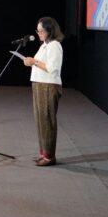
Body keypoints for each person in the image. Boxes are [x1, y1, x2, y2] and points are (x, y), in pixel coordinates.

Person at [23, 16, 64, 167]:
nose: (39, 33)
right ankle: (43, 153)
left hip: (48, 86)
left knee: (47, 121)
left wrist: (33, 61)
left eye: (41, 31)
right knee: (40, 120)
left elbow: (52, 68)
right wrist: (31, 62)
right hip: (39, 85)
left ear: (50, 30)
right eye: (37, 30)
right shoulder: (44, 45)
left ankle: (49, 156)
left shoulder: (54, 46)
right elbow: (40, 64)